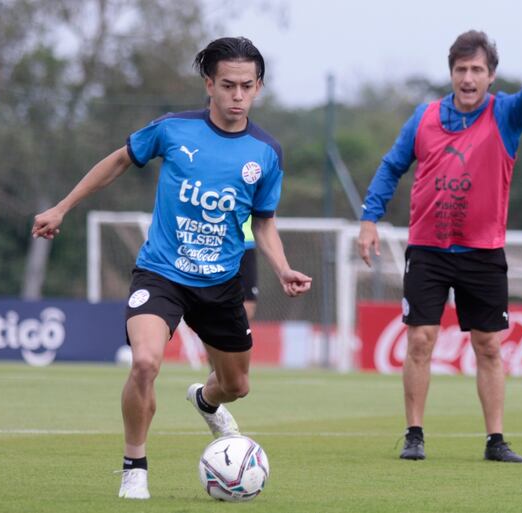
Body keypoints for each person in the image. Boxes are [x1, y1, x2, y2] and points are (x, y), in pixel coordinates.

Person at [31, 37, 312, 499]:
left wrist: (281, 268)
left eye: (246, 86)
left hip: (221, 282)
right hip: (162, 273)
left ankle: (204, 400)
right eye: (227, 85)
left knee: (237, 385)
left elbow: (263, 221)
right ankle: (134, 466)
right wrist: (62, 208)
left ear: (258, 87)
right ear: (209, 84)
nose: (237, 96)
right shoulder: (173, 129)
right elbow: (120, 160)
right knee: (144, 363)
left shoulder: (267, 152)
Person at [357, 17, 522, 462]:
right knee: (421, 339)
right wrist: (369, 219)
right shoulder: (423, 118)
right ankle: (414, 434)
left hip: (482, 251)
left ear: (490, 75)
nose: (468, 78)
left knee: (489, 345)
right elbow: (391, 166)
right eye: (461, 69)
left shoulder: (506, 115)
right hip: (427, 248)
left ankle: (495, 440)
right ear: (451, 73)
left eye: (477, 70)